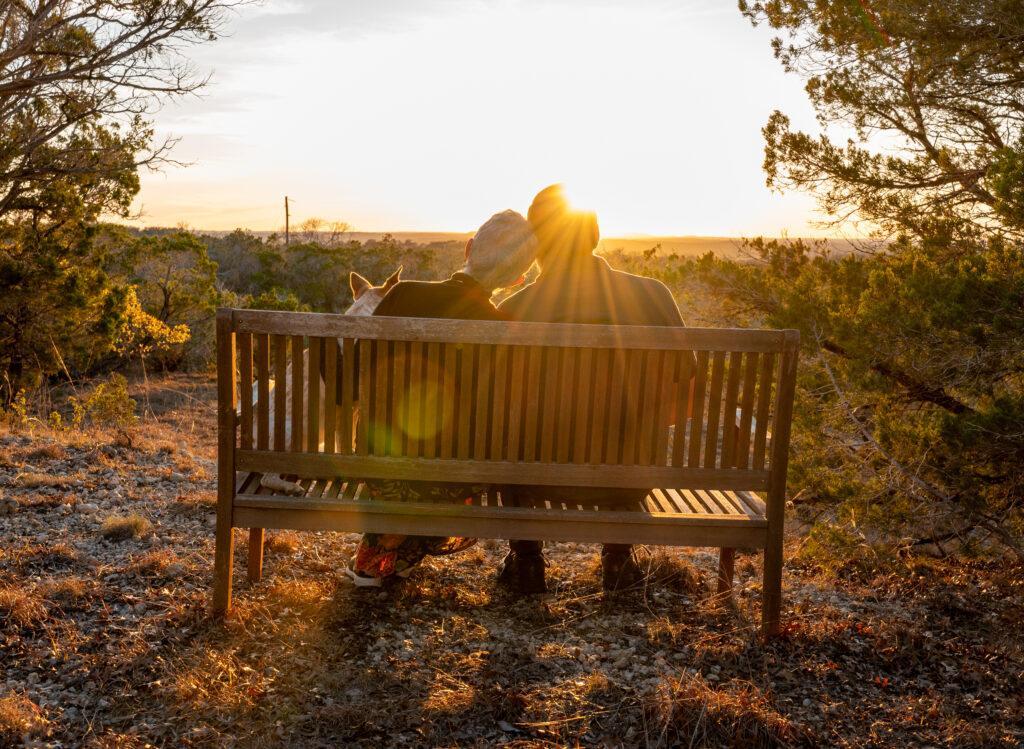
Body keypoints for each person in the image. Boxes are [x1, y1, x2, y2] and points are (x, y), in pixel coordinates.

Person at [496, 184, 691, 594]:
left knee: (509, 434)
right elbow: (684, 380)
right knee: (631, 434)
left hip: (533, 473)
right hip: (629, 472)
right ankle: (618, 557)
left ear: (536, 243)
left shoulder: (515, 307)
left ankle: (527, 559)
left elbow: (490, 395)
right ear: (595, 236)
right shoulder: (653, 296)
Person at [346, 210, 538, 587]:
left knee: (398, 450)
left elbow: (356, 378)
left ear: (468, 248)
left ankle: (384, 554)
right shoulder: (502, 329)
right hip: (456, 480)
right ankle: (394, 553)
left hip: (381, 468)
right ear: (517, 279)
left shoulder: (403, 294)